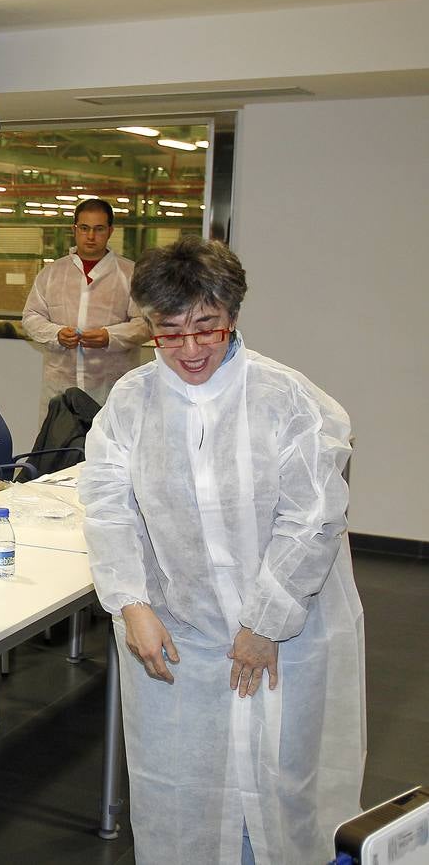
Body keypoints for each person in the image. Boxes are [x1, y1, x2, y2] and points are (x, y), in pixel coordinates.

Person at [78, 236, 365, 864]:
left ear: (231, 316)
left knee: (279, 784)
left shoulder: (288, 400)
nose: (188, 351)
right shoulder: (131, 402)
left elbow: (313, 518)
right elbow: (105, 503)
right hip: (180, 634)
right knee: (182, 790)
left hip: (290, 633)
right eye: (169, 333)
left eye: (205, 329)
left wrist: (265, 622)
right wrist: (130, 604)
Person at [21, 198, 150, 417]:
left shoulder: (130, 274)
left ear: (110, 231)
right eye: (84, 228)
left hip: (111, 389)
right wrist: (57, 334)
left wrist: (110, 336)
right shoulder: (51, 274)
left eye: (99, 229)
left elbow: (146, 323)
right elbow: (31, 317)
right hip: (60, 387)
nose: (90, 236)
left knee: (109, 448)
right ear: (75, 229)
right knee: (60, 447)